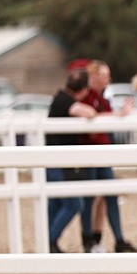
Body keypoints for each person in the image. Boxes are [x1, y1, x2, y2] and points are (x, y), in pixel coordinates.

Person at [80, 60, 137, 252]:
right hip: (91, 152)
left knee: (109, 195)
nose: (108, 80)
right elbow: (92, 119)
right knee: (90, 197)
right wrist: (118, 114)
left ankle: (114, 239)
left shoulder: (101, 97)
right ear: (93, 76)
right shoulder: (87, 96)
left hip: (102, 152)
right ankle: (89, 240)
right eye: (105, 75)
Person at [45, 66, 98, 253]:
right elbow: (88, 112)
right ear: (83, 89)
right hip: (57, 162)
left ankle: (48, 241)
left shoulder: (60, 98)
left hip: (55, 161)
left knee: (57, 202)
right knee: (74, 203)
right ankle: (51, 240)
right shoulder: (65, 100)